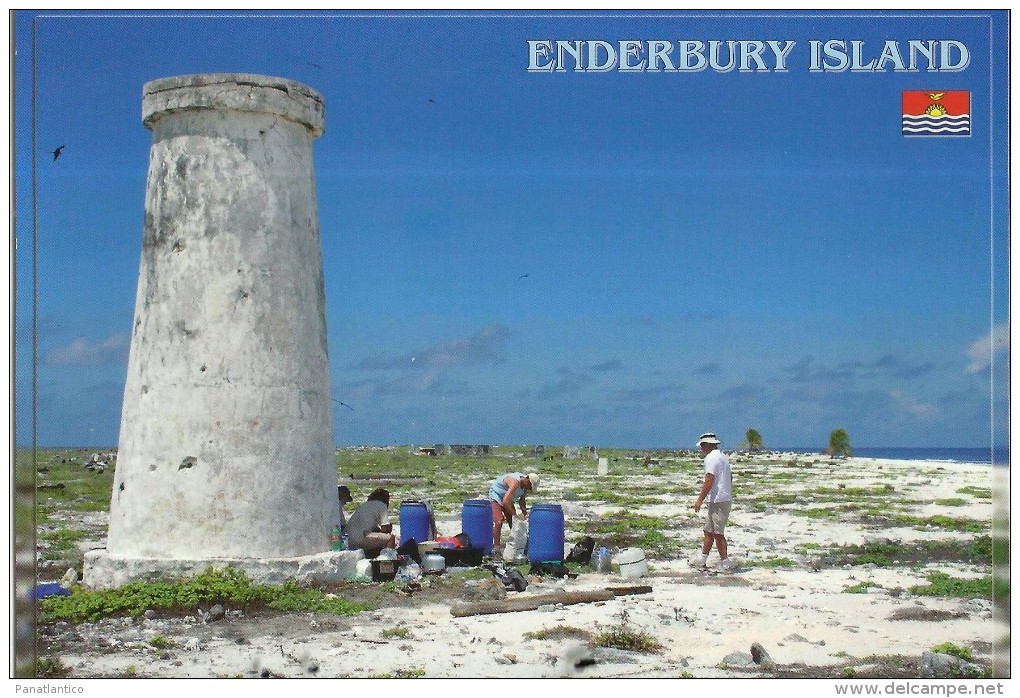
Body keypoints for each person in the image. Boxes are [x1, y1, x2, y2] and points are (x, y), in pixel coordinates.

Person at [692, 433, 732, 571]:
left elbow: (709, 480)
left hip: (718, 499)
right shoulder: (722, 457)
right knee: (709, 531)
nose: (701, 448)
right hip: (721, 498)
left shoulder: (711, 458)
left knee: (718, 534)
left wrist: (699, 500)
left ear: (708, 444)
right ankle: (702, 559)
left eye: (703, 445)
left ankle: (725, 563)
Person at [488, 472, 539, 549]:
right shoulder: (515, 482)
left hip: (508, 498)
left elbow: (522, 501)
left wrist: (525, 513)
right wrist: (514, 514)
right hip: (497, 496)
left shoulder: (524, 487)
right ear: (527, 480)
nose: (528, 489)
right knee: (499, 521)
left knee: (514, 522)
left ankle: (517, 544)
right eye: (529, 487)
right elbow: (505, 501)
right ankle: (496, 547)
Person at [346, 488, 396, 558]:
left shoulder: (366, 505)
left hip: (347, 539)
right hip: (359, 538)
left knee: (377, 534)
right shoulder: (382, 505)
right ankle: (388, 561)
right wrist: (389, 527)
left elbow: (373, 527)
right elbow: (385, 529)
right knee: (391, 538)